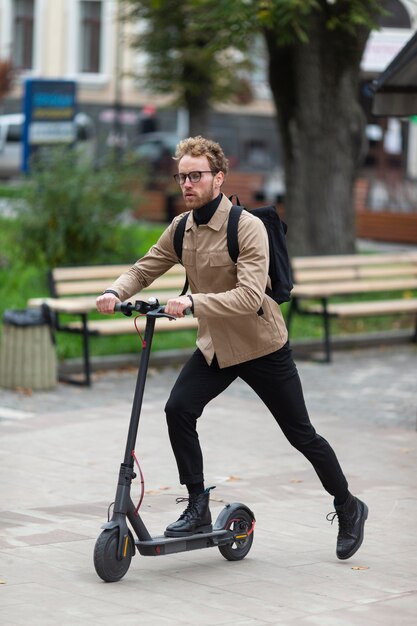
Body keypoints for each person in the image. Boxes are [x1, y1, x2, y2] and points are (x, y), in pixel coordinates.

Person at [96, 136, 368, 560]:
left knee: (301, 435)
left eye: (196, 175)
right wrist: (115, 290)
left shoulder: (247, 227)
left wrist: (191, 301)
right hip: (216, 347)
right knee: (178, 410)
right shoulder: (182, 227)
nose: (187, 183)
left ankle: (348, 505)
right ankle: (198, 507)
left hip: (261, 345)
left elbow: (248, 296)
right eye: (182, 176)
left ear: (218, 178)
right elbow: (147, 265)